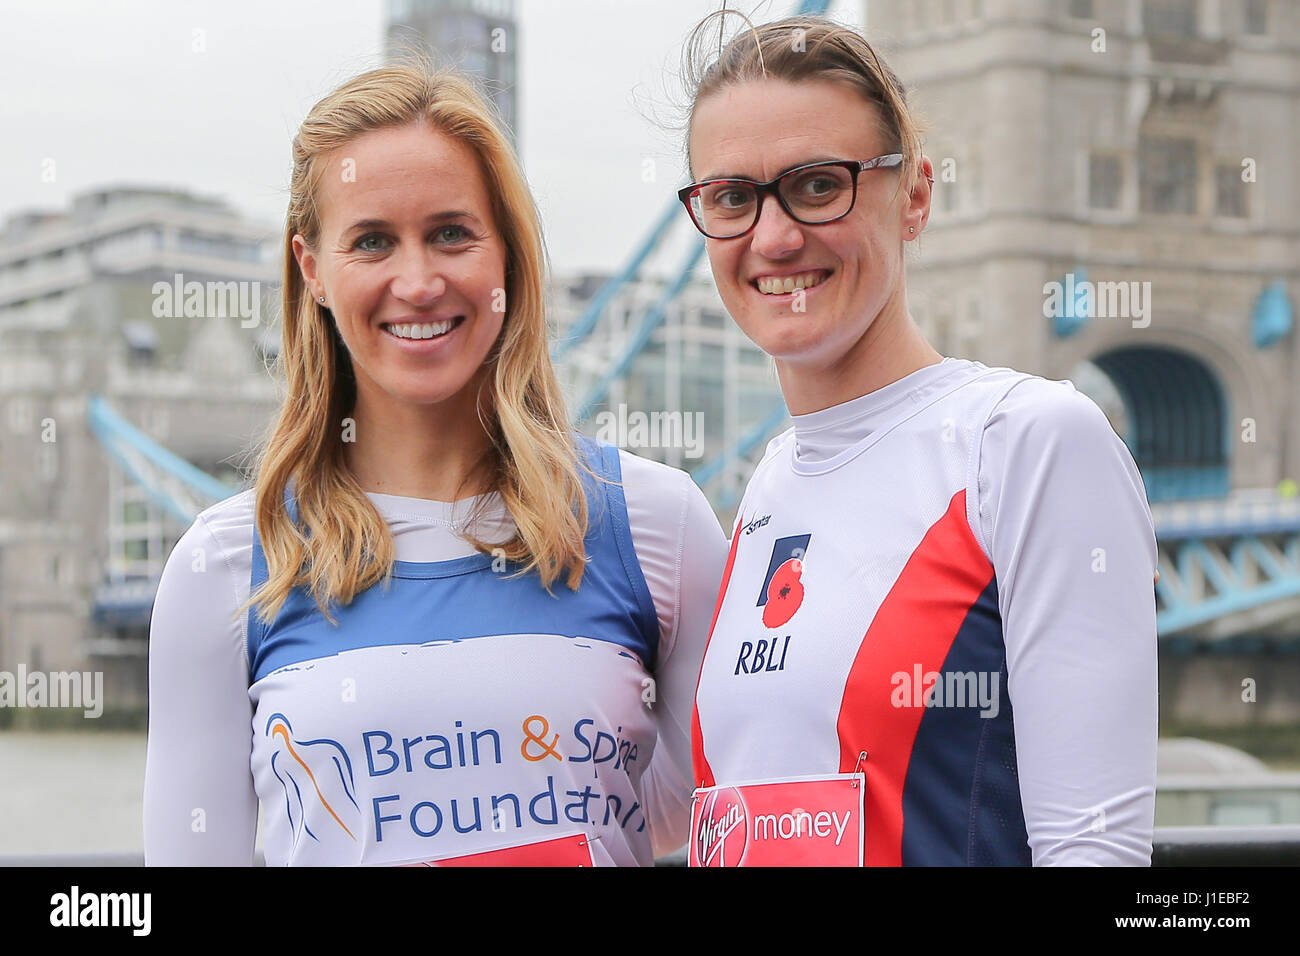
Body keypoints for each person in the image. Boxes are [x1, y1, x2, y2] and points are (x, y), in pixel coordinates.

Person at [142, 59, 727, 866]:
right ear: (312, 270)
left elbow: (722, 820)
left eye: (451, 233)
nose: (417, 282)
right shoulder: (224, 566)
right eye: (372, 241)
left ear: (507, 257)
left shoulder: (659, 524)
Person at [680, 14, 1158, 866]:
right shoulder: (767, 487)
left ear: (916, 196)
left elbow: (1097, 852)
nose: (774, 236)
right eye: (731, 198)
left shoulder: (1028, 443)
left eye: (818, 185)